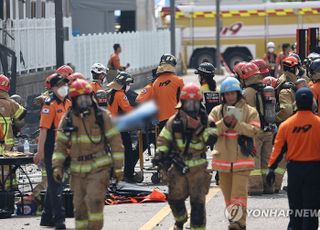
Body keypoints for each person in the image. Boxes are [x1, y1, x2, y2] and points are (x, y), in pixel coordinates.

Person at [52, 79, 124, 230]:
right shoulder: (68, 119)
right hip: (77, 172)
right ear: (73, 99)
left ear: (91, 97)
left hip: (98, 170)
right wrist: (57, 167)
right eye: (80, 98)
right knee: (79, 210)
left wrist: (118, 169)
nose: (84, 102)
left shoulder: (102, 116)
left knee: (95, 201)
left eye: (86, 97)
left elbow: (116, 143)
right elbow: (60, 145)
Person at [153, 83, 217, 230]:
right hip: (178, 167)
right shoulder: (173, 122)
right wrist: (161, 154)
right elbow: (163, 139)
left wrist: (199, 128)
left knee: (198, 206)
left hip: (198, 169)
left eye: (194, 103)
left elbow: (214, 137)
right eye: (188, 103)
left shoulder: (206, 121)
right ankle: (180, 220)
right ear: (183, 103)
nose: (191, 107)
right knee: (175, 200)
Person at [209, 77, 260, 230]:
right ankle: (234, 220)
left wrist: (237, 125)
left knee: (238, 195)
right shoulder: (216, 111)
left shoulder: (250, 111)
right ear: (223, 96)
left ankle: (239, 223)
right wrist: (224, 124)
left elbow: (255, 130)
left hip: (241, 161)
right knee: (228, 197)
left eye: (233, 93)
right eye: (227, 94)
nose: (230, 97)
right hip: (223, 163)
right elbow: (209, 132)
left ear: (238, 93)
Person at [267, 88, 320, 230]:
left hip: (295, 171)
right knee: (311, 211)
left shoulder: (286, 125)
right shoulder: (318, 123)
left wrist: (271, 169)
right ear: (312, 103)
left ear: (296, 103)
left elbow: (278, 150)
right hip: (315, 171)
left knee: (296, 209)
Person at [33, 73, 71, 229]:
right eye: (60, 85)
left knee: (59, 184)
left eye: (65, 85)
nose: (64, 88)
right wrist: (39, 152)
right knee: (56, 185)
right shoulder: (49, 105)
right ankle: (59, 219)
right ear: (53, 88)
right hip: (52, 150)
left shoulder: (68, 103)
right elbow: (43, 131)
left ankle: (46, 216)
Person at [240, 62, 275, 195]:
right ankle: (268, 187)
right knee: (266, 161)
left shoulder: (247, 92)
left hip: (255, 131)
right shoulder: (266, 88)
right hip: (269, 130)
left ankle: (255, 188)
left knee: (254, 160)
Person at [107, 72, 140, 182]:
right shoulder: (120, 95)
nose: (129, 86)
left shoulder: (110, 93)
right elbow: (128, 110)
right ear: (123, 85)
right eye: (128, 84)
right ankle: (128, 174)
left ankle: (112, 174)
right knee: (128, 151)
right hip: (119, 128)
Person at [273, 56, 299, 192]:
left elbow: (286, 110)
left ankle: (275, 185)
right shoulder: (295, 82)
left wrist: (276, 119)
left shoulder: (283, 83)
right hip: (300, 124)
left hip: (289, 126)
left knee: (283, 158)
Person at [0, 74, 26, 190]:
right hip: (7, 148)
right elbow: (21, 118)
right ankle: (10, 196)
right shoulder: (11, 103)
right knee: (8, 172)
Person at [152, 54, 184, 130]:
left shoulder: (155, 83)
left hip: (161, 120)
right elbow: (183, 100)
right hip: (175, 118)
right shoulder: (178, 80)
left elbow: (154, 102)